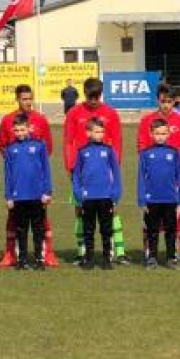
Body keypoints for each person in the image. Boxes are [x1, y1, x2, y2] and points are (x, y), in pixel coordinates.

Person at [64, 78, 128, 264]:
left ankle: (119, 252)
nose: (94, 100)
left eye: (97, 97)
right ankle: (82, 252)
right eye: (90, 97)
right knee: (80, 211)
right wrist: (70, 167)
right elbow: (68, 141)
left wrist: (114, 168)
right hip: (82, 171)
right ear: (84, 94)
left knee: (112, 211)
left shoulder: (111, 113)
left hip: (104, 171)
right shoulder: (74, 113)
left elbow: (117, 141)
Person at [0, 84, 59, 268]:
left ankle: (46, 254)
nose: (28, 102)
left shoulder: (41, 119)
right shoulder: (8, 120)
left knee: (40, 222)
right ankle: (12, 254)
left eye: (30, 98)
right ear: (17, 99)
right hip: (18, 186)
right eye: (24, 99)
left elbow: (46, 148)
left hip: (36, 186)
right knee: (16, 222)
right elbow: (3, 146)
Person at [137, 83, 180, 262]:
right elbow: (142, 146)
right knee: (150, 217)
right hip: (153, 178)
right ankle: (148, 252)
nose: (166, 105)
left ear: (174, 101)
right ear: (157, 100)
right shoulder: (146, 121)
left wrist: (175, 167)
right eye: (162, 101)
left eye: (169, 101)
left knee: (179, 213)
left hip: (176, 175)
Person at [3, 113, 53, 270]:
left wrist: (48, 191)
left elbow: (46, 169)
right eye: (16, 130)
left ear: (28, 128)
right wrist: (9, 196)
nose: (19, 133)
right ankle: (22, 259)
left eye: (22, 129)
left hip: (37, 195)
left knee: (38, 229)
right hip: (19, 196)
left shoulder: (39, 145)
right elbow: (8, 174)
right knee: (21, 230)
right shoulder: (10, 149)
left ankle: (39, 259)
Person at [72, 117, 122, 270]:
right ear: (88, 133)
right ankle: (89, 259)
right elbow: (76, 175)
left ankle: (107, 259)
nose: (100, 134)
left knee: (106, 230)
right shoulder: (82, 152)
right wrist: (79, 194)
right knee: (89, 230)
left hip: (105, 197)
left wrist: (115, 193)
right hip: (88, 198)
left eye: (102, 131)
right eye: (97, 131)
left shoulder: (108, 150)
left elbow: (116, 172)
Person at [138, 119, 180, 268]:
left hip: (170, 199)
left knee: (171, 230)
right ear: (151, 134)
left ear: (168, 134)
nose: (160, 136)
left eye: (163, 133)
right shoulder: (145, 154)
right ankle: (152, 257)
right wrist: (142, 200)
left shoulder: (174, 152)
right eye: (157, 133)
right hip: (151, 199)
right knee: (152, 231)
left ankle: (171, 258)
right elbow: (141, 178)